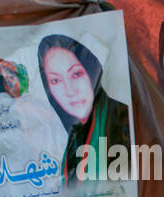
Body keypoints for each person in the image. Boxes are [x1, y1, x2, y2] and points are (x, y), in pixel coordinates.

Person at [37, 34, 131, 187]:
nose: (69, 90)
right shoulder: (73, 137)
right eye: (55, 80)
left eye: (76, 74)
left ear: (91, 70)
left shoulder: (125, 120)